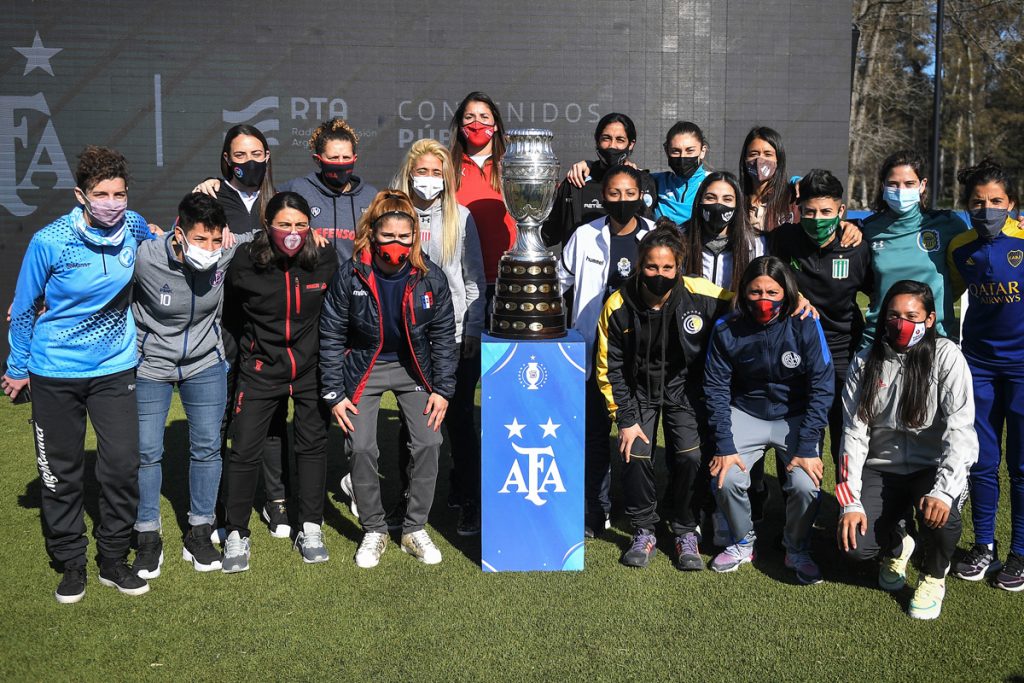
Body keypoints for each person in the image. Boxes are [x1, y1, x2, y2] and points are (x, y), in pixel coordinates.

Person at [2, 146, 156, 602]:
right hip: (55, 372)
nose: (113, 202)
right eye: (102, 193)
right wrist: (17, 368)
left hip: (114, 367)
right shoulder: (49, 241)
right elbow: (26, 306)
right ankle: (71, 562)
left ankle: (113, 560)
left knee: (123, 465)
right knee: (60, 473)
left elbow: (162, 236)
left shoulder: (132, 225)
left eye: (120, 193)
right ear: (81, 195)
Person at [319, 191, 457, 568]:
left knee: (429, 440)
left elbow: (444, 337)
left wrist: (442, 390)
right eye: (388, 236)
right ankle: (374, 529)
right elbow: (331, 335)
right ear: (372, 234)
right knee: (361, 448)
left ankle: (414, 528)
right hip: (365, 366)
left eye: (403, 237)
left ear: (415, 238)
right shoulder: (350, 275)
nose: (395, 244)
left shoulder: (431, 277)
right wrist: (334, 393)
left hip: (414, 368)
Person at [837, 280, 978, 619]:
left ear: (929, 319)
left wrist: (944, 492)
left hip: (929, 466)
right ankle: (899, 540)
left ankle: (933, 575)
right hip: (881, 467)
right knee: (856, 546)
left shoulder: (946, 357)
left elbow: (961, 431)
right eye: (893, 315)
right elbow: (853, 434)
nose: (901, 324)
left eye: (912, 316)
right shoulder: (865, 361)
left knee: (943, 518)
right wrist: (851, 503)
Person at [130, 193, 252, 578]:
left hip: (205, 364)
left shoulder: (225, 253)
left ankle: (200, 530)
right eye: (201, 240)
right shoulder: (145, 256)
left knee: (207, 448)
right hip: (151, 366)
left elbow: (274, 233)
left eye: (217, 240)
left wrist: (308, 235)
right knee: (147, 452)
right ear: (178, 233)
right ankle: (147, 535)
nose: (210, 249)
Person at [596, 225, 732, 569]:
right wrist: (625, 420)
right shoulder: (617, 304)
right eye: (652, 267)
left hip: (683, 390)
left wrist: (797, 299)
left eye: (667, 267)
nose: (660, 274)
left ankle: (685, 527)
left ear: (680, 266)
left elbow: (750, 297)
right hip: (637, 392)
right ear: (640, 265)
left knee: (690, 456)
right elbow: (608, 368)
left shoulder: (702, 293)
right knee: (637, 453)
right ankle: (645, 528)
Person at [220, 192, 338, 573]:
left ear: (311, 227)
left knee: (312, 446)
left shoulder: (324, 257)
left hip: (310, 370)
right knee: (244, 449)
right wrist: (246, 357)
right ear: (268, 225)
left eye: (301, 225)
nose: (292, 233)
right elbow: (233, 316)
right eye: (284, 225)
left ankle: (310, 526)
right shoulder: (245, 260)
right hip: (260, 369)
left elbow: (336, 314)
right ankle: (236, 532)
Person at [704, 256, 834, 584]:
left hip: (795, 414)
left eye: (773, 293)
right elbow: (716, 387)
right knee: (727, 477)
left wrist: (807, 446)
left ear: (786, 292)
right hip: (746, 411)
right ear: (744, 292)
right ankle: (743, 541)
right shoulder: (727, 327)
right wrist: (724, 444)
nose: (764, 300)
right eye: (756, 291)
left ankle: (796, 547)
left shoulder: (805, 321)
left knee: (806, 484)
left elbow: (822, 384)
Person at [193, 125, 292, 539]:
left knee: (270, 416)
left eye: (256, 153)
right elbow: (188, 246)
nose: (248, 162)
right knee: (218, 416)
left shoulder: (280, 201)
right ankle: (217, 503)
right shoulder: (210, 198)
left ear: (267, 157)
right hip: (223, 326)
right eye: (239, 155)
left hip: (267, 327)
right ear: (226, 159)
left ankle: (275, 500)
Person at [386, 139, 486, 533]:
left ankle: (468, 498)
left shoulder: (460, 218)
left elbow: (474, 280)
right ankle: (406, 499)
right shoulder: (392, 215)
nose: (428, 180)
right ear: (409, 172)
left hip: (455, 339)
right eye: (421, 171)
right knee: (411, 427)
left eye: (436, 173)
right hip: (407, 341)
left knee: (459, 421)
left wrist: (472, 330)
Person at [557, 165, 656, 538]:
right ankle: (597, 511)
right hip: (593, 353)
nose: (622, 201)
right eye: (614, 193)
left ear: (641, 196)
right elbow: (558, 281)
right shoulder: (585, 236)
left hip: (640, 354)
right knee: (596, 436)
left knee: (636, 437)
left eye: (629, 193)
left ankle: (638, 511)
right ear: (603, 196)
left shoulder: (654, 235)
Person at [948, 160, 1024, 591]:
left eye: (996, 201)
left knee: (1022, 466)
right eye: (978, 203)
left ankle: (1020, 554)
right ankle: (983, 546)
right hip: (978, 368)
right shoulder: (961, 247)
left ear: (1011, 204)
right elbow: (950, 292)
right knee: (982, 461)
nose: (987, 209)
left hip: (1022, 370)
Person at [769, 169, 873, 466]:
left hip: (842, 352)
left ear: (841, 211)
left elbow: (877, 294)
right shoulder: (783, 239)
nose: (817, 218)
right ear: (799, 211)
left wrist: (858, 227)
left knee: (845, 435)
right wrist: (793, 294)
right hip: (795, 349)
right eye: (809, 212)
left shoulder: (857, 246)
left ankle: (846, 507)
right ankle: (797, 506)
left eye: (826, 211)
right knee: (796, 430)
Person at [860, 149, 968, 345]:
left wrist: (1017, 227)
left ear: (922, 185)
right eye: (893, 184)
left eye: (909, 183)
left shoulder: (948, 224)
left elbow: (986, 240)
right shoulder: (867, 230)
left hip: (935, 339)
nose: (901, 190)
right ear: (882, 186)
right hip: (880, 339)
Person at [542, 113, 658, 247]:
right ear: (597, 141)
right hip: (580, 265)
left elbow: (652, 233)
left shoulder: (644, 181)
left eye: (620, 140)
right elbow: (549, 234)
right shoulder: (576, 180)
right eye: (606, 138)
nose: (612, 146)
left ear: (631, 144)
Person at [448, 91, 517, 310]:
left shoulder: (513, 165)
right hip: (460, 281)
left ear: (496, 124)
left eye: (484, 117)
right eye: (469, 117)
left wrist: (587, 167)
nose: (476, 123)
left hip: (508, 279)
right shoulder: (446, 167)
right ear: (460, 125)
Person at [278, 118, 377, 264]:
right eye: (334, 158)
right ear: (317, 160)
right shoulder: (298, 188)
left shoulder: (370, 196)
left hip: (355, 283)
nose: (341, 163)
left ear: (355, 158)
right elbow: (263, 204)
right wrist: (303, 230)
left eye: (346, 157)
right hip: (312, 282)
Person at [739, 126, 797, 234]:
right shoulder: (735, 198)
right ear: (745, 159)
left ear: (778, 160)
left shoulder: (793, 199)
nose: (760, 160)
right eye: (754, 154)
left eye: (768, 154)